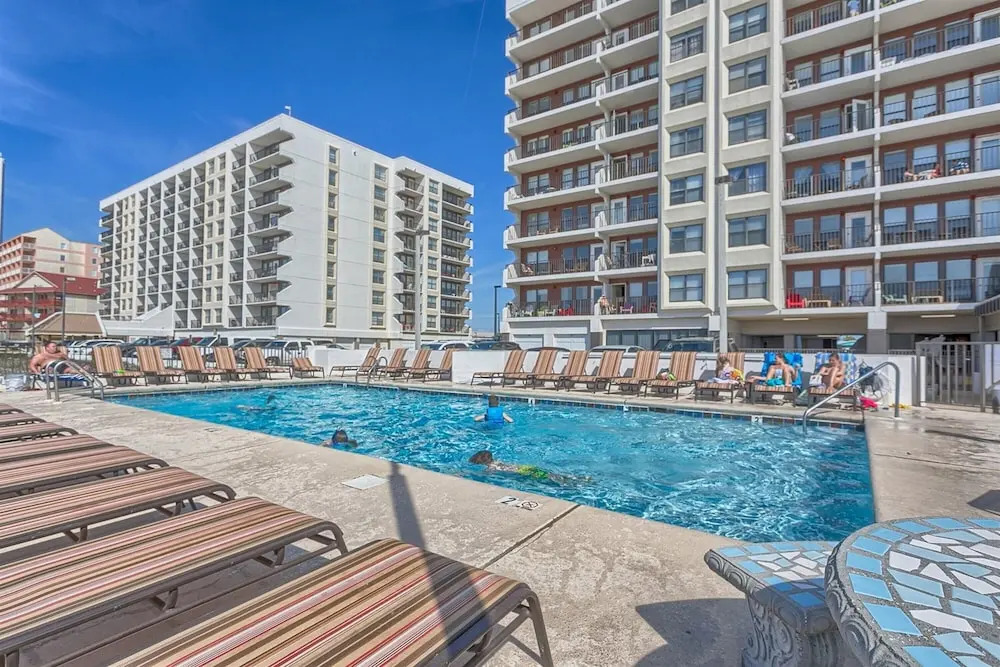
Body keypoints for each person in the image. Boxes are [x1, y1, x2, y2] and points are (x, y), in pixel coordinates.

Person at [468, 450, 583, 485]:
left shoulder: (490, 469)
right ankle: (578, 479)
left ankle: (575, 483)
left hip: (525, 473)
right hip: (526, 468)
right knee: (553, 476)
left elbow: (481, 475)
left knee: (552, 480)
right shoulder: (498, 462)